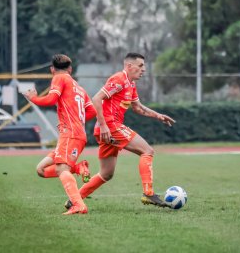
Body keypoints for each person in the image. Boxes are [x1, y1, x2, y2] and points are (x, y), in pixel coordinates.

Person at [65, 52, 176, 210]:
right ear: (129, 66)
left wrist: (158, 115)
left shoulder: (131, 84)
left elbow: (137, 108)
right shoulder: (119, 79)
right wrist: (104, 125)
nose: (143, 69)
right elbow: (97, 98)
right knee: (147, 151)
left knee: (106, 174)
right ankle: (148, 193)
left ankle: (74, 199)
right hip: (110, 126)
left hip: (107, 129)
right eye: (140, 66)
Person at [23, 54, 96, 215]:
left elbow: (51, 99)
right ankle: (78, 168)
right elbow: (92, 111)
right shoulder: (79, 86)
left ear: (52, 70)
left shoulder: (59, 77)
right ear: (70, 69)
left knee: (62, 169)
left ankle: (78, 205)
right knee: (41, 169)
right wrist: (74, 120)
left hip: (71, 134)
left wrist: (33, 98)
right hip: (74, 134)